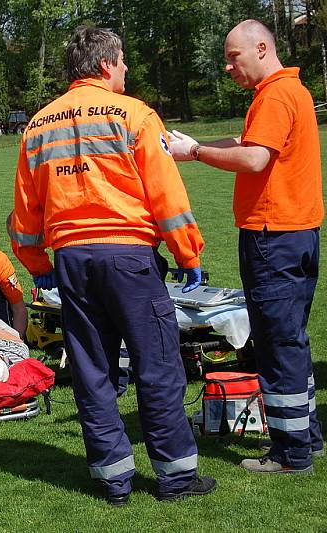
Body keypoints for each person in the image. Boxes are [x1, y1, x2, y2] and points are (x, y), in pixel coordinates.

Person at [8, 26, 215, 505]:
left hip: (73, 264)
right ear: (106, 65)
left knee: (93, 371)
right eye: (122, 62)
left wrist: (38, 263)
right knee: (158, 367)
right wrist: (188, 252)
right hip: (129, 257)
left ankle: (113, 480)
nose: (125, 70)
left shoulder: (38, 126)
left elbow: (25, 212)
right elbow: (167, 195)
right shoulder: (136, 115)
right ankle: (176, 478)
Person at [167, 19, 324, 474]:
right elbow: (246, 142)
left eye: (233, 57)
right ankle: (305, 437)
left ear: (261, 48)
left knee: (276, 344)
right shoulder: (289, 91)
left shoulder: (275, 94)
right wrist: (189, 148)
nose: (228, 66)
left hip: (272, 236)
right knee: (290, 340)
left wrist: (195, 153)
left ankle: (290, 453)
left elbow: (254, 158)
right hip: (298, 234)